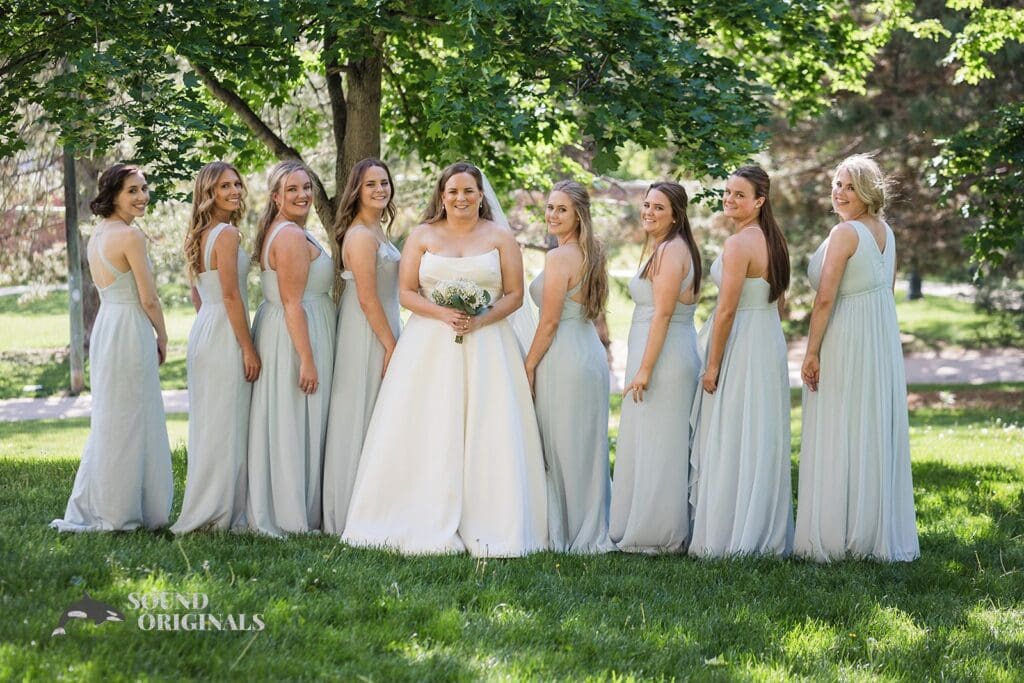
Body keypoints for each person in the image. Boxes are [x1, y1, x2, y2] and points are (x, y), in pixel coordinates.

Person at [343, 161, 547, 556]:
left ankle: (492, 519)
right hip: (430, 345)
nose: (460, 198)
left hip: (488, 344)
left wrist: (481, 318)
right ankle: (416, 512)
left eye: (468, 191)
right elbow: (406, 293)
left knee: (488, 426)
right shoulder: (422, 235)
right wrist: (443, 314)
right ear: (442, 195)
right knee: (429, 423)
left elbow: (514, 295)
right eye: (453, 191)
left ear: (480, 195)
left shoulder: (501, 237)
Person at [795, 154, 919, 562]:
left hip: (847, 337)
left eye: (849, 186)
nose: (839, 192)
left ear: (867, 191)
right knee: (868, 426)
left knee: (840, 423)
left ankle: (837, 535)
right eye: (836, 183)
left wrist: (811, 352)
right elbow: (887, 287)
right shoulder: (885, 231)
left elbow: (826, 297)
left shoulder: (845, 233)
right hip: (878, 339)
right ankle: (868, 530)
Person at [51, 164, 173, 532]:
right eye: (132, 190)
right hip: (131, 326)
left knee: (112, 418)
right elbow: (149, 298)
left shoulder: (98, 234)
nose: (142, 197)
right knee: (133, 418)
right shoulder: (130, 238)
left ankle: (108, 503)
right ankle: (124, 511)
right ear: (114, 195)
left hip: (108, 326)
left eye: (144, 189)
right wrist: (163, 336)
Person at [689, 165, 794, 558]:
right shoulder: (776, 240)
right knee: (758, 432)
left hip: (742, 341)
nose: (729, 199)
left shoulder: (739, 245)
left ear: (759, 201)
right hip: (767, 339)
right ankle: (760, 530)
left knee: (733, 430)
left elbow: (727, 311)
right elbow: (778, 302)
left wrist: (713, 365)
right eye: (727, 192)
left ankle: (730, 534)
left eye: (739, 195)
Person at [609, 181, 702, 553]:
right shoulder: (668, 248)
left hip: (663, 358)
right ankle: (648, 522)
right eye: (646, 205)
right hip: (661, 351)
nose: (649, 212)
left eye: (659, 208)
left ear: (675, 215)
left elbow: (663, 313)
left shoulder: (670, 251)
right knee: (653, 440)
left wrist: (645, 369)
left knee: (661, 443)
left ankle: (656, 531)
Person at [246, 160, 335, 536]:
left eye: (307, 188)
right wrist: (307, 360)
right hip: (297, 335)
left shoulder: (288, 230)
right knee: (296, 419)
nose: (302, 195)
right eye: (293, 190)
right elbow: (293, 302)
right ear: (276, 197)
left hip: (288, 330)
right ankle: (291, 513)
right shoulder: (290, 236)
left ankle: (292, 504)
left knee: (291, 419)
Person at [525, 180, 613, 553]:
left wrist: (528, 367)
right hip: (589, 353)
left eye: (561, 209)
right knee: (584, 447)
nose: (553, 215)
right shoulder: (592, 252)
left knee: (561, 445)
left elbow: (549, 323)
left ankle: (570, 532)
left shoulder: (559, 258)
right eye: (549, 207)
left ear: (578, 214)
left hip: (563, 355)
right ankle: (590, 526)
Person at [172, 161, 259, 534]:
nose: (234, 191)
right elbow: (231, 295)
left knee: (211, 423)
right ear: (209, 192)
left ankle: (209, 504)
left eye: (237, 184)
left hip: (204, 327)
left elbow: (198, 292)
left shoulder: (198, 233)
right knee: (227, 424)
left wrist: (211, 321)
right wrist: (248, 347)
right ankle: (220, 511)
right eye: (225, 186)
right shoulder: (226, 235)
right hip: (224, 330)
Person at [322, 159, 402, 535]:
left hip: (384, 322)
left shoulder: (378, 230)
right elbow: (368, 299)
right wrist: (391, 346)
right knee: (360, 410)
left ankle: (378, 502)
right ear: (357, 189)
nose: (379, 190)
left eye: (384, 183)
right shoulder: (360, 236)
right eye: (371, 184)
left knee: (378, 413)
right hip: (366, 330)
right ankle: (349, 511)